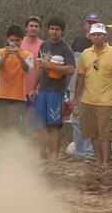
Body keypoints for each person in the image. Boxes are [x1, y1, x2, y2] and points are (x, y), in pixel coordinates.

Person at [28, 18, 75, 160]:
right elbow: (40, 68)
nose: (54, 32)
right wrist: (33, 87)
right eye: (52, 29)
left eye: (57, 29)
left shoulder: (65, 49)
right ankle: (43, 153)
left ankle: (54, 156)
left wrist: (51, 66)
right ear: (47, 30)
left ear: (61, 31)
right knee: (41, 124)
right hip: (42, 90)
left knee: (54, 125)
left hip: (56, 91)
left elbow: (71, 69)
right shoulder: (44, 46)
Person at [73, 23, 112, 166]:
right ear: (89, 36)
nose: (96, 37)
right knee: (93, 134)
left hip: (106, 101)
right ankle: (98, 159)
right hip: (88, 99)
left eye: (99, 34)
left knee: (105, 135)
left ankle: (105, 162)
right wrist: (76, 97)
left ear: (104, 36)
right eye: (93, 34)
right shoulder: (85, 53)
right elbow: (81, 76)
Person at [68, 14, 99, 160]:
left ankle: (89, 152)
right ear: (85, 24)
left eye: (95, 23)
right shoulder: (77, 41)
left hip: (92, 89)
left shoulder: (101, 45)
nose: (92, 25)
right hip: (75, 88)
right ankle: (79, 152)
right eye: (90, 23)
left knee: (90, 121)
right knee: (76, 120)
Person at [0, 25, 33, 132]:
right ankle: (3, 146)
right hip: (3, 95)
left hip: (18, 97)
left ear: (22, 39)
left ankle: (15, 145)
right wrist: (5, 56)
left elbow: (27, 70)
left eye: (17, 40)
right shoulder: (0, 52)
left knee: (14, 125)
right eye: (12, 40)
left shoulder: (27, 55)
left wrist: (20, 57)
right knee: (2, 125)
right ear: (7, 39)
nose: (14, 43)